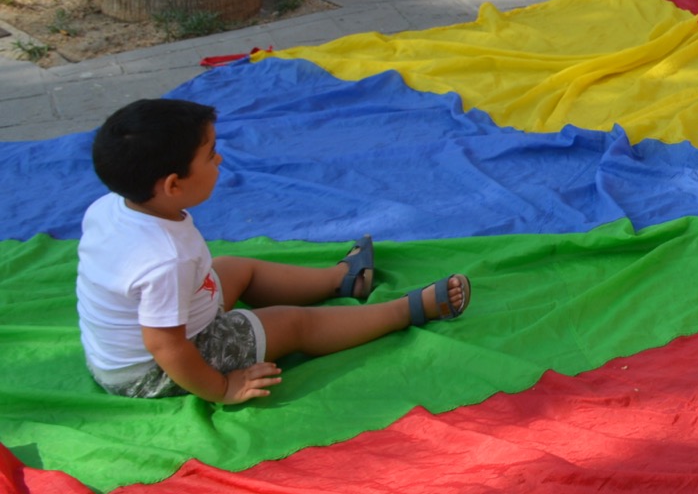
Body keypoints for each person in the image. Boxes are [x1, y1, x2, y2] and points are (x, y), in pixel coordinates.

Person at [77, 98, 470, 403]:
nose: (220, 159)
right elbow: (165, 345)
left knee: (234, 267)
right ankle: (406, 310)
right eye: (210, 154)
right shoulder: (165, 259)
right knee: (290, 324)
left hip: (127, 351)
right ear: (174, 185)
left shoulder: (113, 205)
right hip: (154, 371)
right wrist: (221, 387)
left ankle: (342, 281)